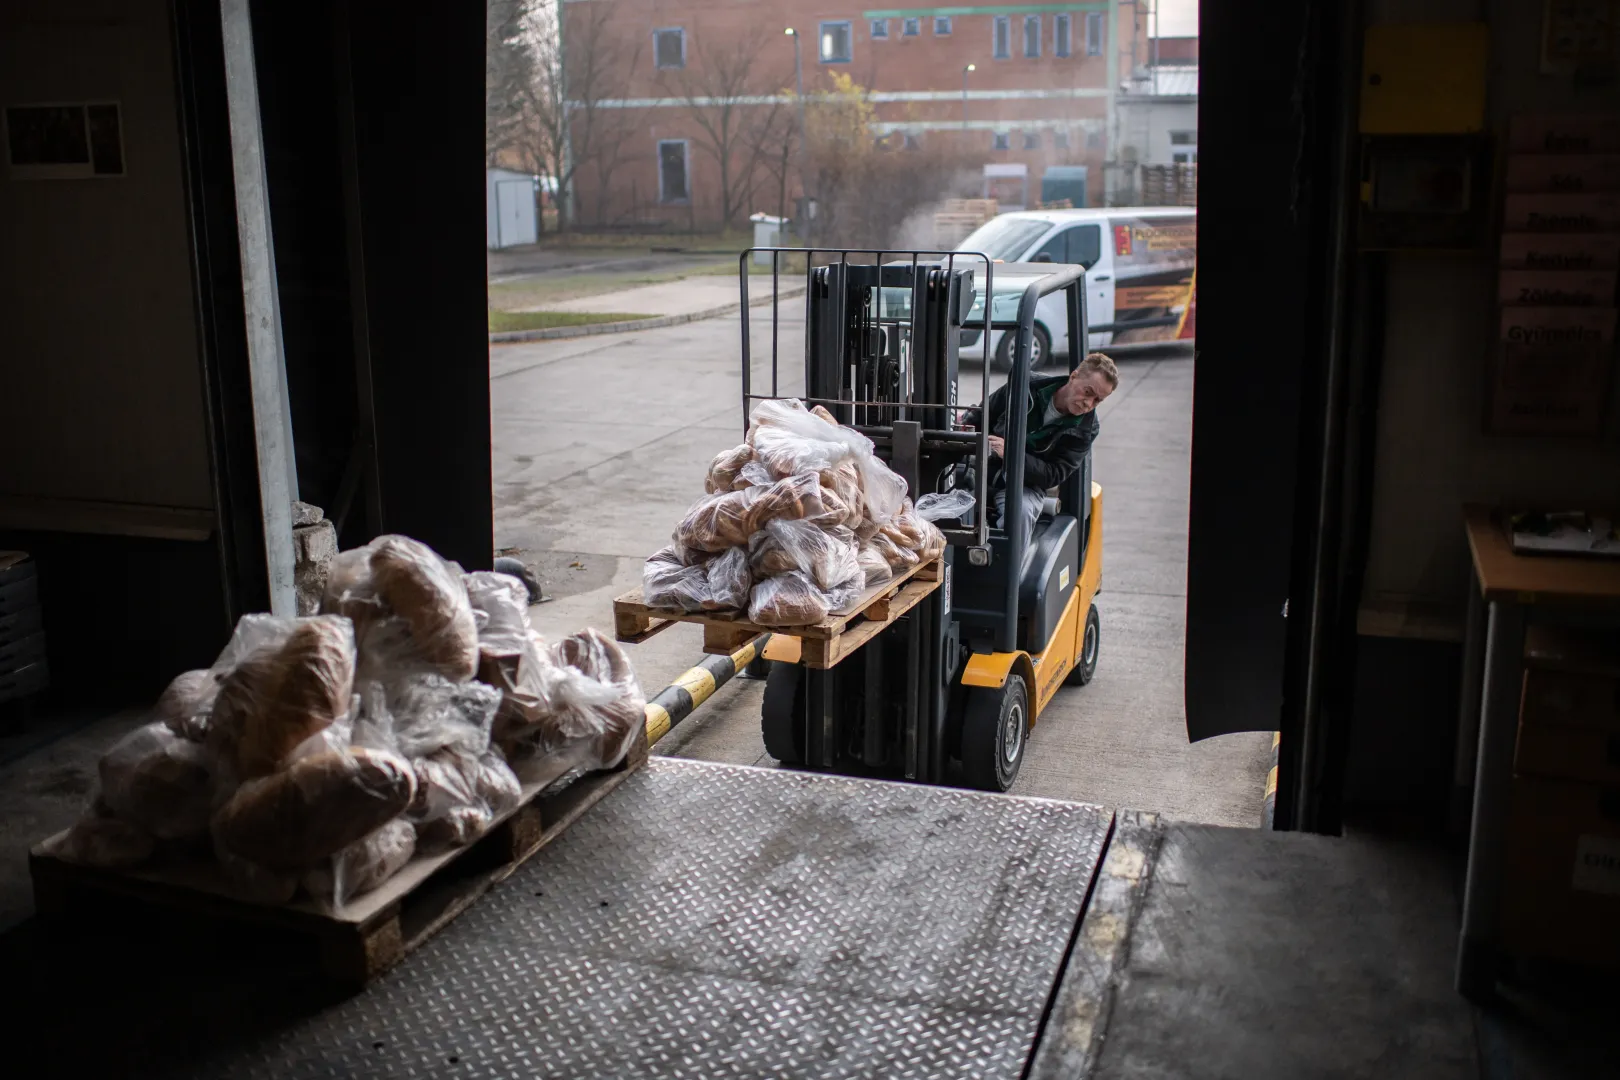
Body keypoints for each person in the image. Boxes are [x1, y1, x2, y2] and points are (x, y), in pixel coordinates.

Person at [960, 352, 1118, 543]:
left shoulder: (1084, 430)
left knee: (1021, 513)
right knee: (945, 494)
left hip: (1026, 484)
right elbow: (984, 415)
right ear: (1074, 376)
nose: (1088, 403)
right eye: (1087, 392)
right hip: (984, 467)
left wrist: (1011, 454)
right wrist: (960, 431)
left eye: (1097, 400)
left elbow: (1053, 474)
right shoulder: (1025, 387)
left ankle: (1008, 571)